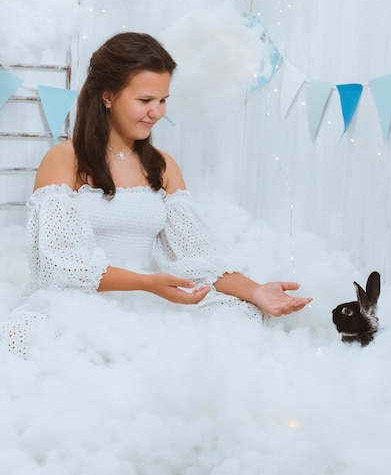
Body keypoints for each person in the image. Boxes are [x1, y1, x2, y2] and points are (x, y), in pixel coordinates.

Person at [1, 32, 312, 356]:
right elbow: (58, 265)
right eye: (145, 100)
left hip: (148, 296)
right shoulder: (65, 159)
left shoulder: (162, 166)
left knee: (241, 312)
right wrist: (146, 283)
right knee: (36, 336)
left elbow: (196, 254)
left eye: (163, 101)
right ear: (108, 96)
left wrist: (256, 291)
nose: (157, 112)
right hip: (81, 301)